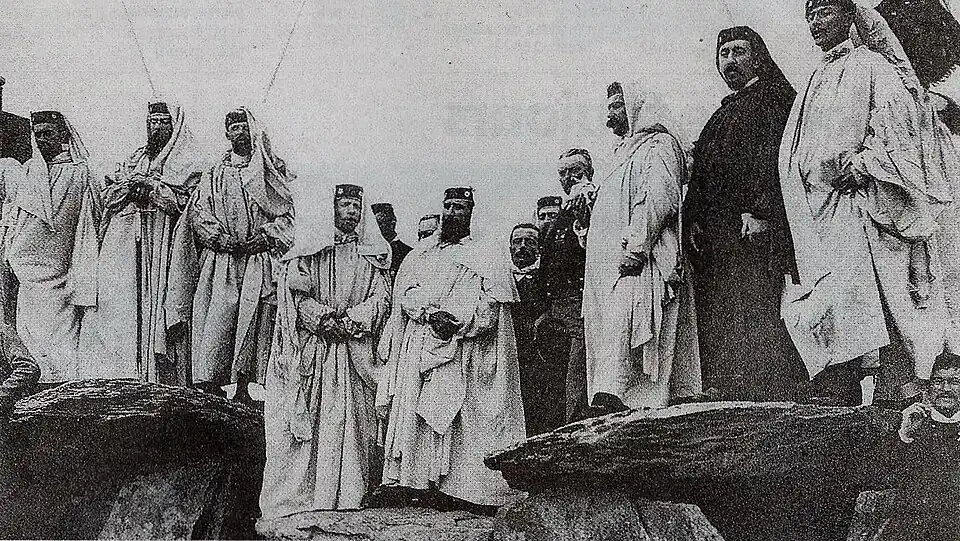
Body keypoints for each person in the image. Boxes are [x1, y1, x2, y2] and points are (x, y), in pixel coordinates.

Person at [779, 0, 955, 407]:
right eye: (810, 14)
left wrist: (862, 166)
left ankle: (904, 396)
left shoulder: (872, 67)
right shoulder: (816, 77)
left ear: (848, 15)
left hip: (865, 207)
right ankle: (843, 399)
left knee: (886, 302)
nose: (815, 21)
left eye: (824, 11)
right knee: (837, 304)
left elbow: (900, 128)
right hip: (822, 214)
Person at [377, 186, 525, 512]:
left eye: (460, 207)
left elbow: (492, 307)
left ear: (471, 211)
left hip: (466, 349)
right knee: (420, 415)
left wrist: (459, 324)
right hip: (425, 344)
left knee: (461, 423)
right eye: (448, 205)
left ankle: (461, 489)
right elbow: (407, 292)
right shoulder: (423, 253)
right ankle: (419, 483)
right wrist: (430, 315)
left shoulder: (486, 254)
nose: (452, 212)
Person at [682, 27, 806, 401]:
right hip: (719, 234)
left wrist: (761, 210)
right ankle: (724, 383)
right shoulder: (723, 112)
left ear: (758, 56)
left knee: (754, 305)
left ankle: (763, 388)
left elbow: (776, 160)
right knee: (722, 304)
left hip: (753, 228)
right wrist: (692, 220)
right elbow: (702, 172)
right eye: (723, 54)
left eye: (738, 51)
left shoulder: (775, 100)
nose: (730, 61)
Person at [260, 183, 392, 516]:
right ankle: (310, 498)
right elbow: (295, 297)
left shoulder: (372, 256)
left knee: (355, 425)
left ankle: (349, 496)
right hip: (318, 351)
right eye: (344, 204)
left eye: (356, 206)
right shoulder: (309, 252)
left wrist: (351, 321)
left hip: (355, 353)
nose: (351, 211)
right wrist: (321, 320)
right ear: (331, 209)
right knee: (314, 426)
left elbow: (381, 299)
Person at [582, 82, 701, 412]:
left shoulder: (660, 144)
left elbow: (659, 198)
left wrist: (637, 248)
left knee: (638, 324)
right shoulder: (623, 152)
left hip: (644, 259)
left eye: (617, 106)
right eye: (608, 108)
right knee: (617, 329)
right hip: (614, 266)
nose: (611, 116)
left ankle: (630, 397)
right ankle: (616, 395)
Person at [74, 101, 202, 384]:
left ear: (175, 127)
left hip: (166, 243)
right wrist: (131, 186)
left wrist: (153, 189)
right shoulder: (136, 158)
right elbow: (111, 194)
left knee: (163, 304)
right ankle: (134, 372)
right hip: (133, 244)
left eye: (164, 123)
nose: (157, 128)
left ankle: (166, 378)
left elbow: (186, 204)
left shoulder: (188, 164)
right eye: (153, 122)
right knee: (129, 305)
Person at [190, 108, 294, 401]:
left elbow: (287, 214)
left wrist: (264, 237)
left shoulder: (269, 171)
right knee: (218, 318)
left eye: (244, 127)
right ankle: (210, 382)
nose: (239, 133)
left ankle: (245, 385)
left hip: (256, 258)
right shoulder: (215, 172)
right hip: (222, 259)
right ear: (227, 133)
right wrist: (221, 239)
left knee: (254, 320)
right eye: (233, 128)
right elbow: (200, 211)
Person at [4, 111, 93, 384]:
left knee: (60, 325)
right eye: (38, 134)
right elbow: (18, 213)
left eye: (48, 134)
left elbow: (89, 219)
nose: (42, 140)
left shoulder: (81, 172)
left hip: (61, 263)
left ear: (63, 135)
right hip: (27, 266)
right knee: (29, 327)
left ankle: (61, 383)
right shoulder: (30, 170)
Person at [540, 149, 595, 422]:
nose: (568, 177)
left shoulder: (592, 201)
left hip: (583, 303)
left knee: (579, 374)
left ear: (589, 171)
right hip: (558, 307)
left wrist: (584, 220)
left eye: (575, 170)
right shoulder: (562, 212)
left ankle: (576, 425)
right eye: (563, 173)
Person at [510, 223, 563, 435]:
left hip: (540, 361)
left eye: (530, 242)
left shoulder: (547, 279)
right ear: (510, 248)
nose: (522, 247)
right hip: (510, 358)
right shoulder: (501, 280)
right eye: (517, 242)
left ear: (540, 248)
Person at [371, 202, 411, 277]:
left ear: (393, 222)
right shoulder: (367, 251)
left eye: (380, 223)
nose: (375, 229)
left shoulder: (407, 253)